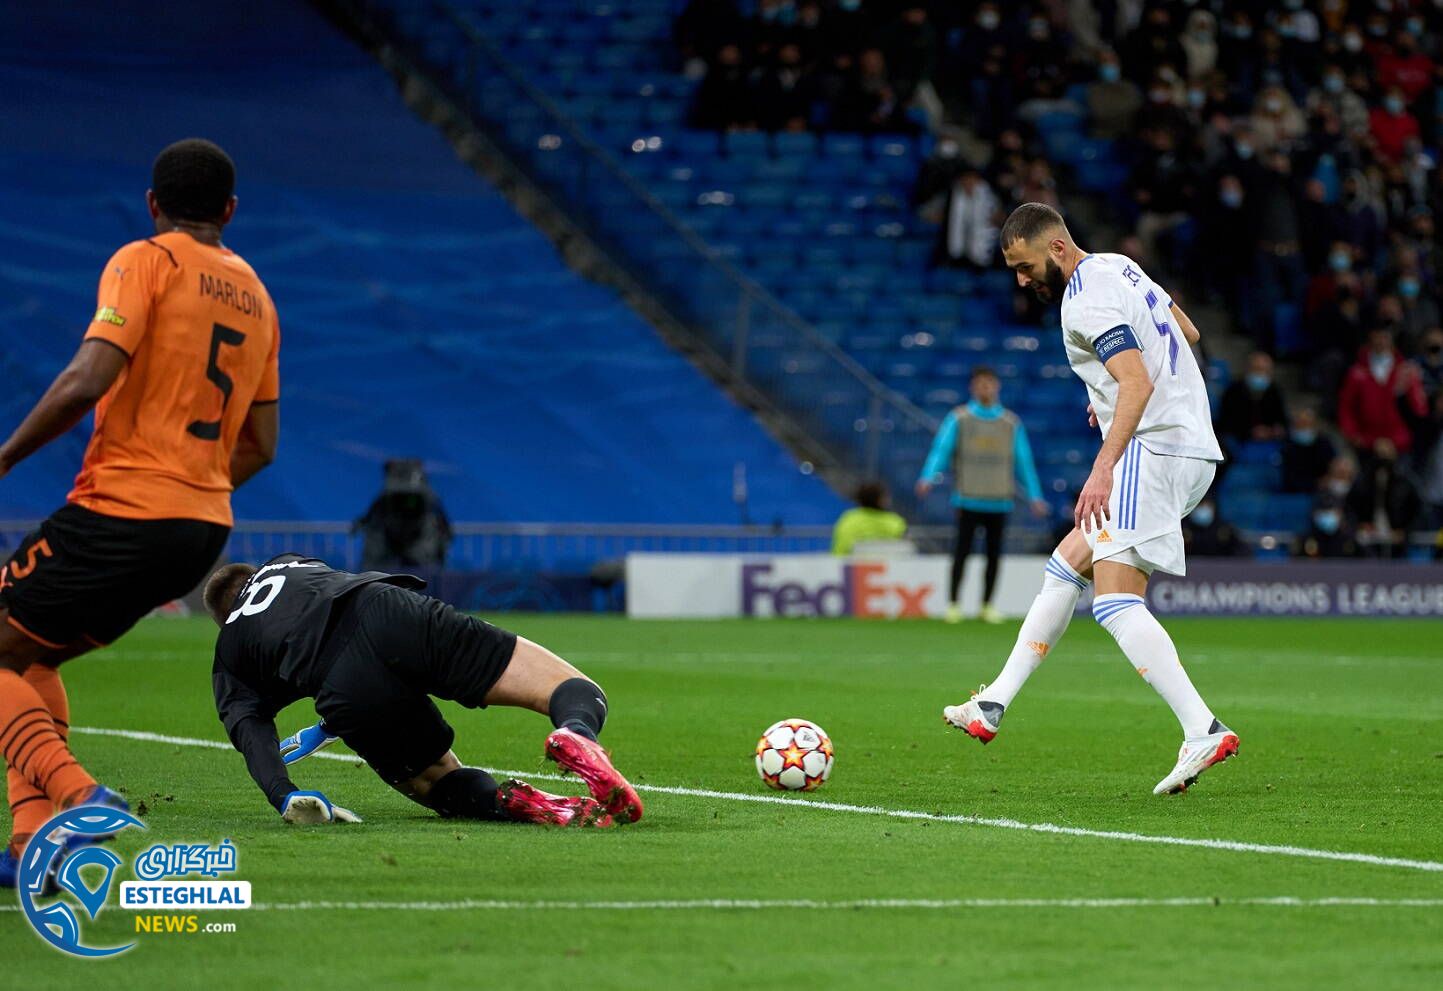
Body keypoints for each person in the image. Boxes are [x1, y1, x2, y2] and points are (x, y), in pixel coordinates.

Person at [0, 139, 280, 883]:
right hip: (200, 526)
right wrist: (194, 486)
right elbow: (263, 443)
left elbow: (89, 375)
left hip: (126, 507)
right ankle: (32, 846)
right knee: (27, 654)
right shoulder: (258, 297)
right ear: (229, 210)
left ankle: (77, 795)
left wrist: (1, 459)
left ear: (154, 206)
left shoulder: (146, 259)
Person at [945, 203, 1236, 797]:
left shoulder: (1083, 299)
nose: (1022, 282)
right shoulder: (1119, 266)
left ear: (1054, 248)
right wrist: (1109, 389)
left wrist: (1104, 463)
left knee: (1114, 604)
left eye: (1025, 268)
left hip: (1150, 454)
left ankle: (1201, 727)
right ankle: (993, 704)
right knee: (1065, 566)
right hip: (1186, 447)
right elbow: (1187, 333)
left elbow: (1137, 380)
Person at [205, 555, 641, 827]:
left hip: (345, 685)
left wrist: (282, 791)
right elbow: (331, 619)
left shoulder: (231, 649)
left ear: (223, 620)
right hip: (389, 612)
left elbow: (250, 728)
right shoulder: (290, 563)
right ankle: (577, 732)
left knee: (436, 781)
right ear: (258, 574)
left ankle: (521, 802)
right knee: (566, 686)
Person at [916, 367, 1047, 624]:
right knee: (961, 552)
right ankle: (954, 604)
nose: (985, 388)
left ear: (996, 387)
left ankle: (987, 605)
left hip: (999, 499)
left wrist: (1035, 496)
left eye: (989, 384)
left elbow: (1024, 461)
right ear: (972, 388)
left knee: (993, 555)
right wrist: (927, 477)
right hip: (968, 497)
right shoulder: (959, 418)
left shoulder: (1010, 423)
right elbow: (940, 450)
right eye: (980, 384)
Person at [1217, 351, 1288, 447]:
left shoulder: (1275, 392)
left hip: (1269, 443)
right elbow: (1226, 422)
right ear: (1248, 369)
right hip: (1239, 442)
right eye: (1257, 369)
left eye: (1264, 370)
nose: (1260, 373)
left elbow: (1282, 421)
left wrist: (1271, 431)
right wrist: (1251, 431)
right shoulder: (1233, 391)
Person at [831, 481, 907, 555]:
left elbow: (839, 550)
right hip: (890, 566)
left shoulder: (848, 519)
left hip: (852, 566)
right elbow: (905, 551)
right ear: (880, 500)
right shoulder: (895, 522)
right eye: (886, 496)